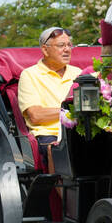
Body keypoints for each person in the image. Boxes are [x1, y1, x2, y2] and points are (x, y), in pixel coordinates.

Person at [17, 27, 81, 166]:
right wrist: (74, 111)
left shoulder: (79, 74)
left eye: (69, 45)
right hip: (48, 134)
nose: (67, 49)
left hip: (79, 130)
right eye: (61, 45)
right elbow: (36, 115)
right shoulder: (29, 75)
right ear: (45, 50)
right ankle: (59, 187)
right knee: (58, 149)